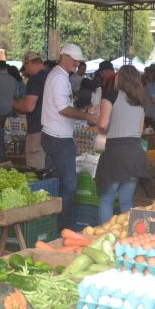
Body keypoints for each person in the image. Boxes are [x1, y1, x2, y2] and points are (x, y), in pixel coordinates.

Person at [41, 43, 97, 231]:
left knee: (56, 183)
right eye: (74, 61)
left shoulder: (59, 76)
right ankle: (59, 226)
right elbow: (63, 109)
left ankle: (52, 224)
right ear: (64, 57)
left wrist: (82, 110)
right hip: (58, 137)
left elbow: (64, 107)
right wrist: (87, 116)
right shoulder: (59, 78)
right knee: (69, 185)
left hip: (55, 135)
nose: (76, 64)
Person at [94, 65, 148, 222]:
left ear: (120, 78)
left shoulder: (111, 96)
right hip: (135, 155)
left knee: (107, 199)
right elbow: (140, 130)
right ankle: (127, 238)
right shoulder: (140, 102)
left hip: (116, 154)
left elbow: (102, 125)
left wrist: (96, 120)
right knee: (126, 201)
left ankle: (105, 237)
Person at [12, 51, 49, 169]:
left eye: (26, 68)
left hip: (37, 130)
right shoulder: (52, 75)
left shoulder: (35, 78)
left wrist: (15, 105)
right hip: (51, 131)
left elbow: (29, 106)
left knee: (35, 171)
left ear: (29, 63)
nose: (26, 72)